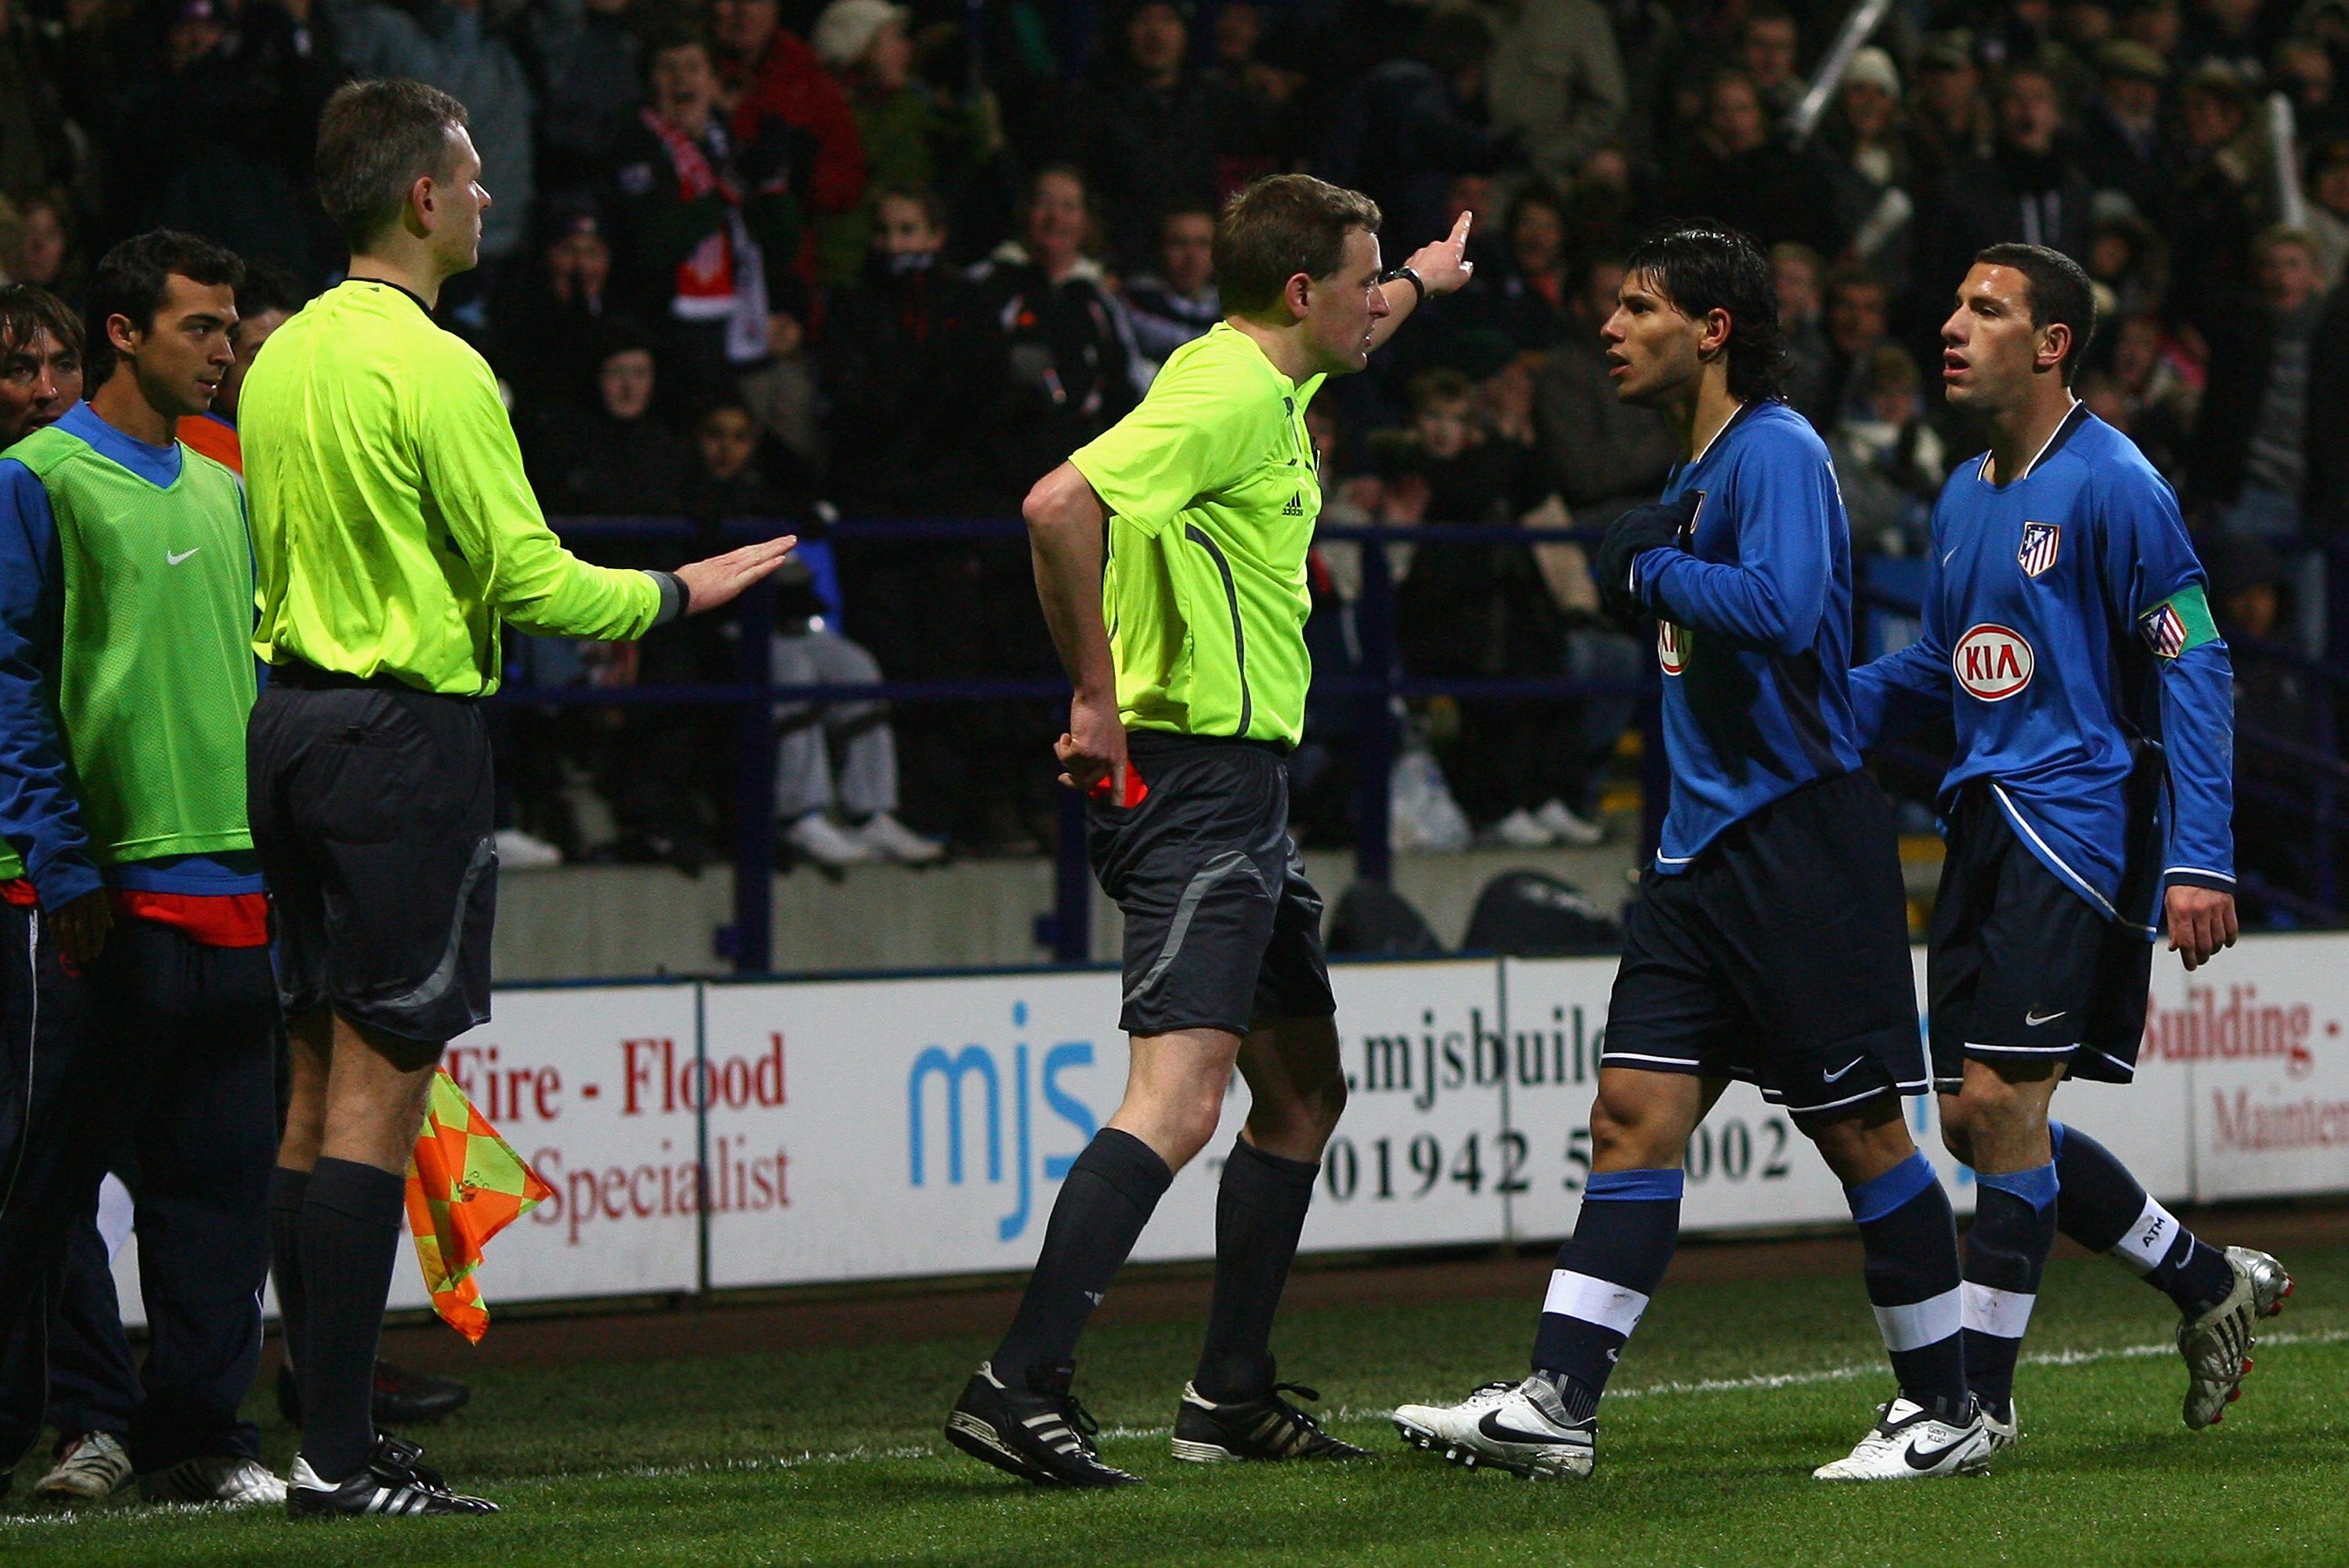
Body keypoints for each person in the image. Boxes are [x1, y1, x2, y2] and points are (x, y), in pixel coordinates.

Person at [239, 77, 793, 1519]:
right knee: (375, 1093)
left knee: (309, 1092)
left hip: (287, 725)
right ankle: (341, 1457)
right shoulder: (439, 368)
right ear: (421, 198)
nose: (490, 195)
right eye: (475, 176)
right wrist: (685, 587)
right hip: (397, 740)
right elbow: (528, 578)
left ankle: (327, 1427)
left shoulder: (281, 356)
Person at [1393, 222, 1992, 1483]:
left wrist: (1653, 565)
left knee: (1864, 1133)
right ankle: (1560, 1400)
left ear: (1713, 329)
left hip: (1795, 840)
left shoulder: (1772, 449)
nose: (1610, 329)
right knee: (1630, 1115)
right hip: (1696, 854)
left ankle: (1950, 1410)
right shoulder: (1704, 464)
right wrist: (1661, 549)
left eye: (1638, 307)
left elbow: (1779, 609)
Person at [944, 175, 1474, 1487]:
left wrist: (1415, 278)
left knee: (1300, 1092)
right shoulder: (1229, 391)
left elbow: (1356, 322)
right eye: (1356, 283)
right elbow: (1057, 502)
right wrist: (1095, 697)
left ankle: (1229, 1389)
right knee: (1176, 1102)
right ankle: (1019, 1381)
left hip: (1244, 796)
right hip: (1192, 781)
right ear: (1302, 293)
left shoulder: (1274, 375)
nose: (1372, 307)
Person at [1849, 243, 2289, 1451]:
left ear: (2050, 346)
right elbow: (1945, 670)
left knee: (2000, 1100)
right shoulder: (1964, 491)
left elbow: (2193, 654)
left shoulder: (2116, 482)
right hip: (1980, 816)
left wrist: (2202, 853)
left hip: (2078, 824)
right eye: (1955, 300)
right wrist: (1812, 711)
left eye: (1984, 308)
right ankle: (2201, 1277)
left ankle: (1975, 1399)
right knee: (1975, 1120)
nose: (1952, 323)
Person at [0, 230, 283, 1508]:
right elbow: (11, 683)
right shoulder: (35, 477)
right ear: (127, 333)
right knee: (52, 1177)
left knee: (218, 1189)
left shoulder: (226, 488)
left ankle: (195, 1430)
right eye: (203, 328)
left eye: (230, 328)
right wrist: (62, 864)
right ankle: (81, 1421)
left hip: (234, 889)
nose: (227, 351)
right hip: (106, 891)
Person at [176, 260, 307, 474]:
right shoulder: (198, 453)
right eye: (260, 356)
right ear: (223, 358)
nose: (285, 372)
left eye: (294, 354)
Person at [1124, 204, 1223, 368]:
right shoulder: (1131, 304)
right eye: (1179, 243)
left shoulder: (1235, 308)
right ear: (1158, 248)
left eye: (1203, 243)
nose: (1191, 256)